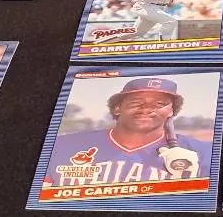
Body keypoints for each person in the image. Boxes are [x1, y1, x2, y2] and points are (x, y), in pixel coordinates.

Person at [48, 77, 207, 183]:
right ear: (117, 108)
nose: (146, 109)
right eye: (136, 102)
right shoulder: (62, 146)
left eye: (159, 104)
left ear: (171, 111)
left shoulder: (203, 153)